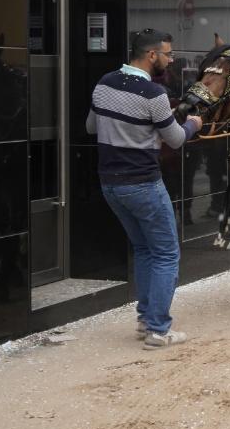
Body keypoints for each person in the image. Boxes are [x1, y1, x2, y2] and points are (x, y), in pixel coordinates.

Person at [86, 29, 203, 349]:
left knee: (143, 249)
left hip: (110, 184)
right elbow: (176, 139)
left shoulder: (104, 83)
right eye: (168, 54)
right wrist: (193, 124)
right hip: (144, 184)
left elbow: (91, 127)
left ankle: (145, 319)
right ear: (152, 56)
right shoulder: (153, 94)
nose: (171, 59)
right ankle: (157, 330)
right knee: (166, 253)